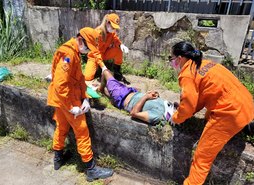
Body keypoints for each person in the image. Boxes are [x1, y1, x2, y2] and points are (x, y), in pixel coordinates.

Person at [169, 41, 254, 185]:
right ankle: (245, 125)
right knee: (208, 117)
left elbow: (188, 106)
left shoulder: (187, 74)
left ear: (180, 58)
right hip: (246, 104)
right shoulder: (205, 63)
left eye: (171, 58)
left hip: (229, 113)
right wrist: (187, 109)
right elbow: (200, 98)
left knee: (202, 157)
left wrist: (176, 117)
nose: (171, 62)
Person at [47, 27, 113, 182]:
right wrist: (72, 106)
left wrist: (85, 97)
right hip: (66, 99)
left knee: (62, 127)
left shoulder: (73, 50)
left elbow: (79, 79)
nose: (88, 51)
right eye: (88, 47)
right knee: (82, 131)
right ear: (81, 40)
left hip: (62, 98)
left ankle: (58, 158)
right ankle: (91, 169)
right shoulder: (69, 54)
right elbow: (60, 84)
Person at [97, 69, 176, 125]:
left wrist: (145, 97)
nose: (177, 106)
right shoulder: (168, 107)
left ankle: (101, 89)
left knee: (106, 72)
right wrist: (155, 95)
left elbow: (134, 113)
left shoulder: (157, 116)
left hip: (122, 97)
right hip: (132, 92)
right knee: (114, 79)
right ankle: (108, 93)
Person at [84, 13, 129, 82]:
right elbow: (96, 53)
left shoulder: (111, 32)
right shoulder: (97, 33)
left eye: (115, 28)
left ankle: (117, 72)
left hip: (104, 54)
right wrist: (103, 67)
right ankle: (98, 70)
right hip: (94, 56)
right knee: (88, 77)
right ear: (107, 23)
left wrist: (121, 45)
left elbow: (115, 39)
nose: (114, 29)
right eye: (113, 27)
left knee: (118, 49)